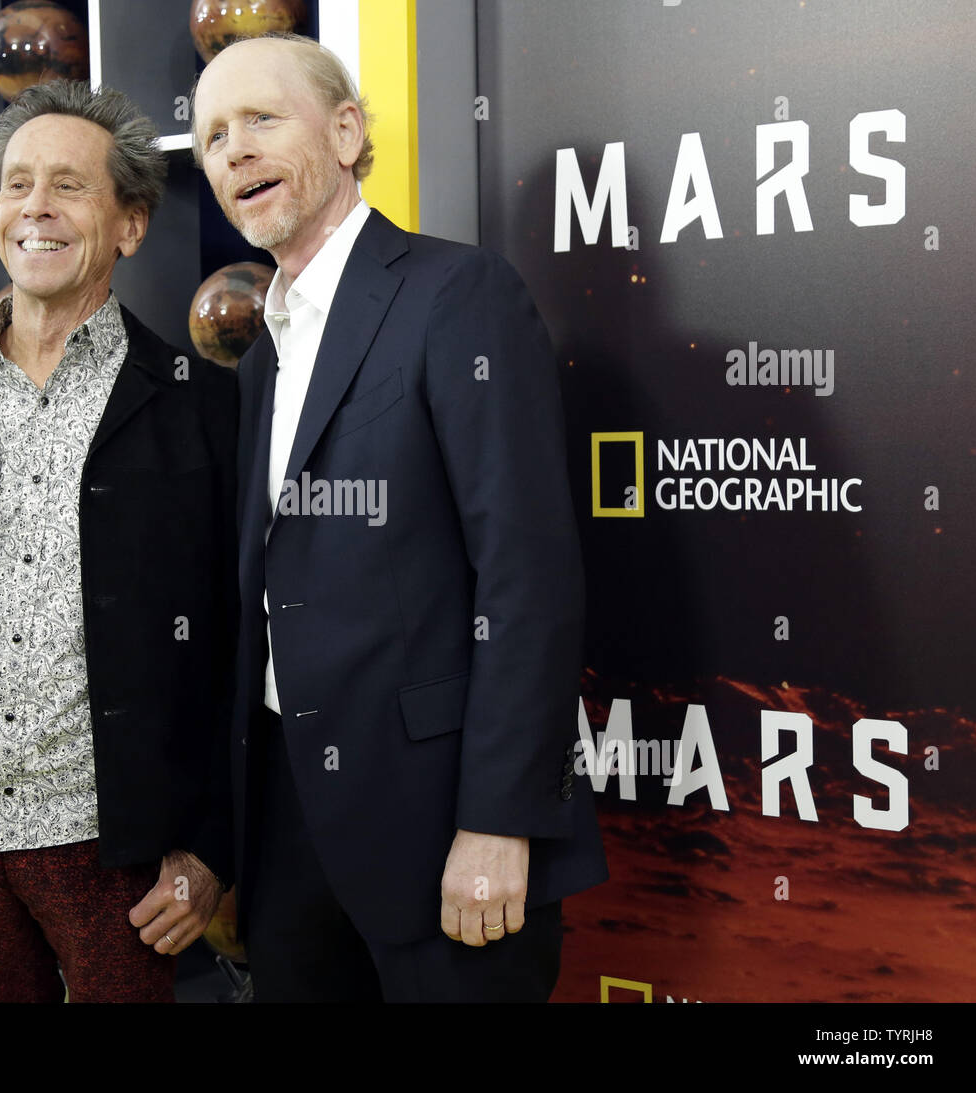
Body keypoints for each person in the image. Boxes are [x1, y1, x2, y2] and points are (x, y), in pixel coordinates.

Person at [191, 34, 607, 1002]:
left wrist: (500, 822)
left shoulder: (457, 294)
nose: (234, 151)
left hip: (444, 826)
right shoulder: (261, 353)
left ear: (345, 132)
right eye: (212, 136)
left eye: (260, 119)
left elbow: (527, 574)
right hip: (290, 835)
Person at [0, 80, 237, 1002]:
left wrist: (213, 850)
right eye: (16, 185)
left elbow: (240, 651)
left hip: (127, 865)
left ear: (130, 225)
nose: (35, 208)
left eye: (68, 185)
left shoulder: (203, 406)